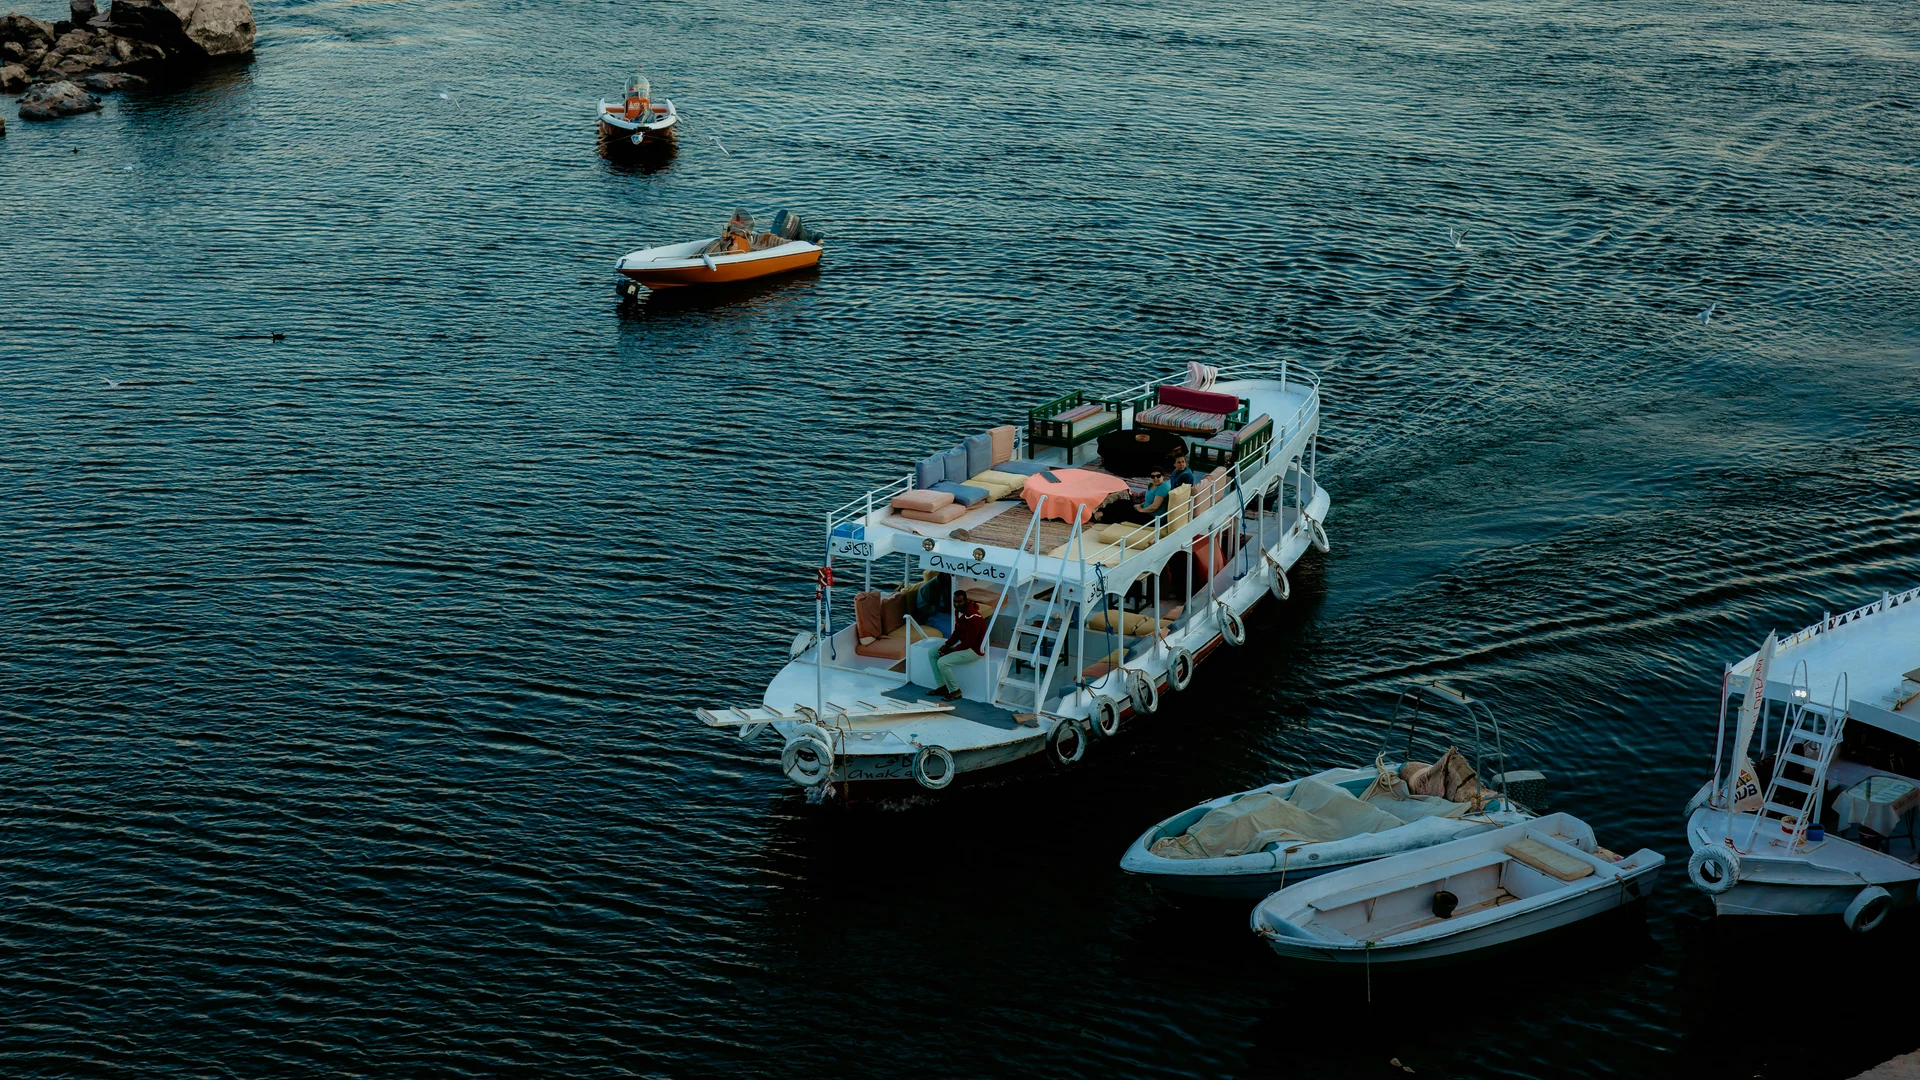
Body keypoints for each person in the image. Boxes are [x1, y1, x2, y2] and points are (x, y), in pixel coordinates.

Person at [935, 590, 987, 701]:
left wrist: (951, 650)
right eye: (955, 601)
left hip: (975, 650)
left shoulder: (974, 618)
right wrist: (946, 644)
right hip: (964, 645)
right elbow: (957, 632)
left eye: (959, 602)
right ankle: (943, 687)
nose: (957, 604)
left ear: (966, 601)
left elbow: (969, 642)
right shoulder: (959, 612)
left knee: (942, 662)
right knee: (932, 653)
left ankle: (955, 691)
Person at [1096, 469, 1172, 525]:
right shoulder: (1152, 485)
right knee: (1122, 502)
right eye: (1153, 476)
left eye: (1158, 476)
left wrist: (1141, 510)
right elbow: (1149, 500)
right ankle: (1102, 512)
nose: (1155, 478)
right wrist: (1140, 505)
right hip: (1146, 510)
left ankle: (1102, 518)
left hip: (1152, 517)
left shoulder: (1162, 488)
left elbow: (1154, 506)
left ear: (1163, 477)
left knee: (1124, 513)